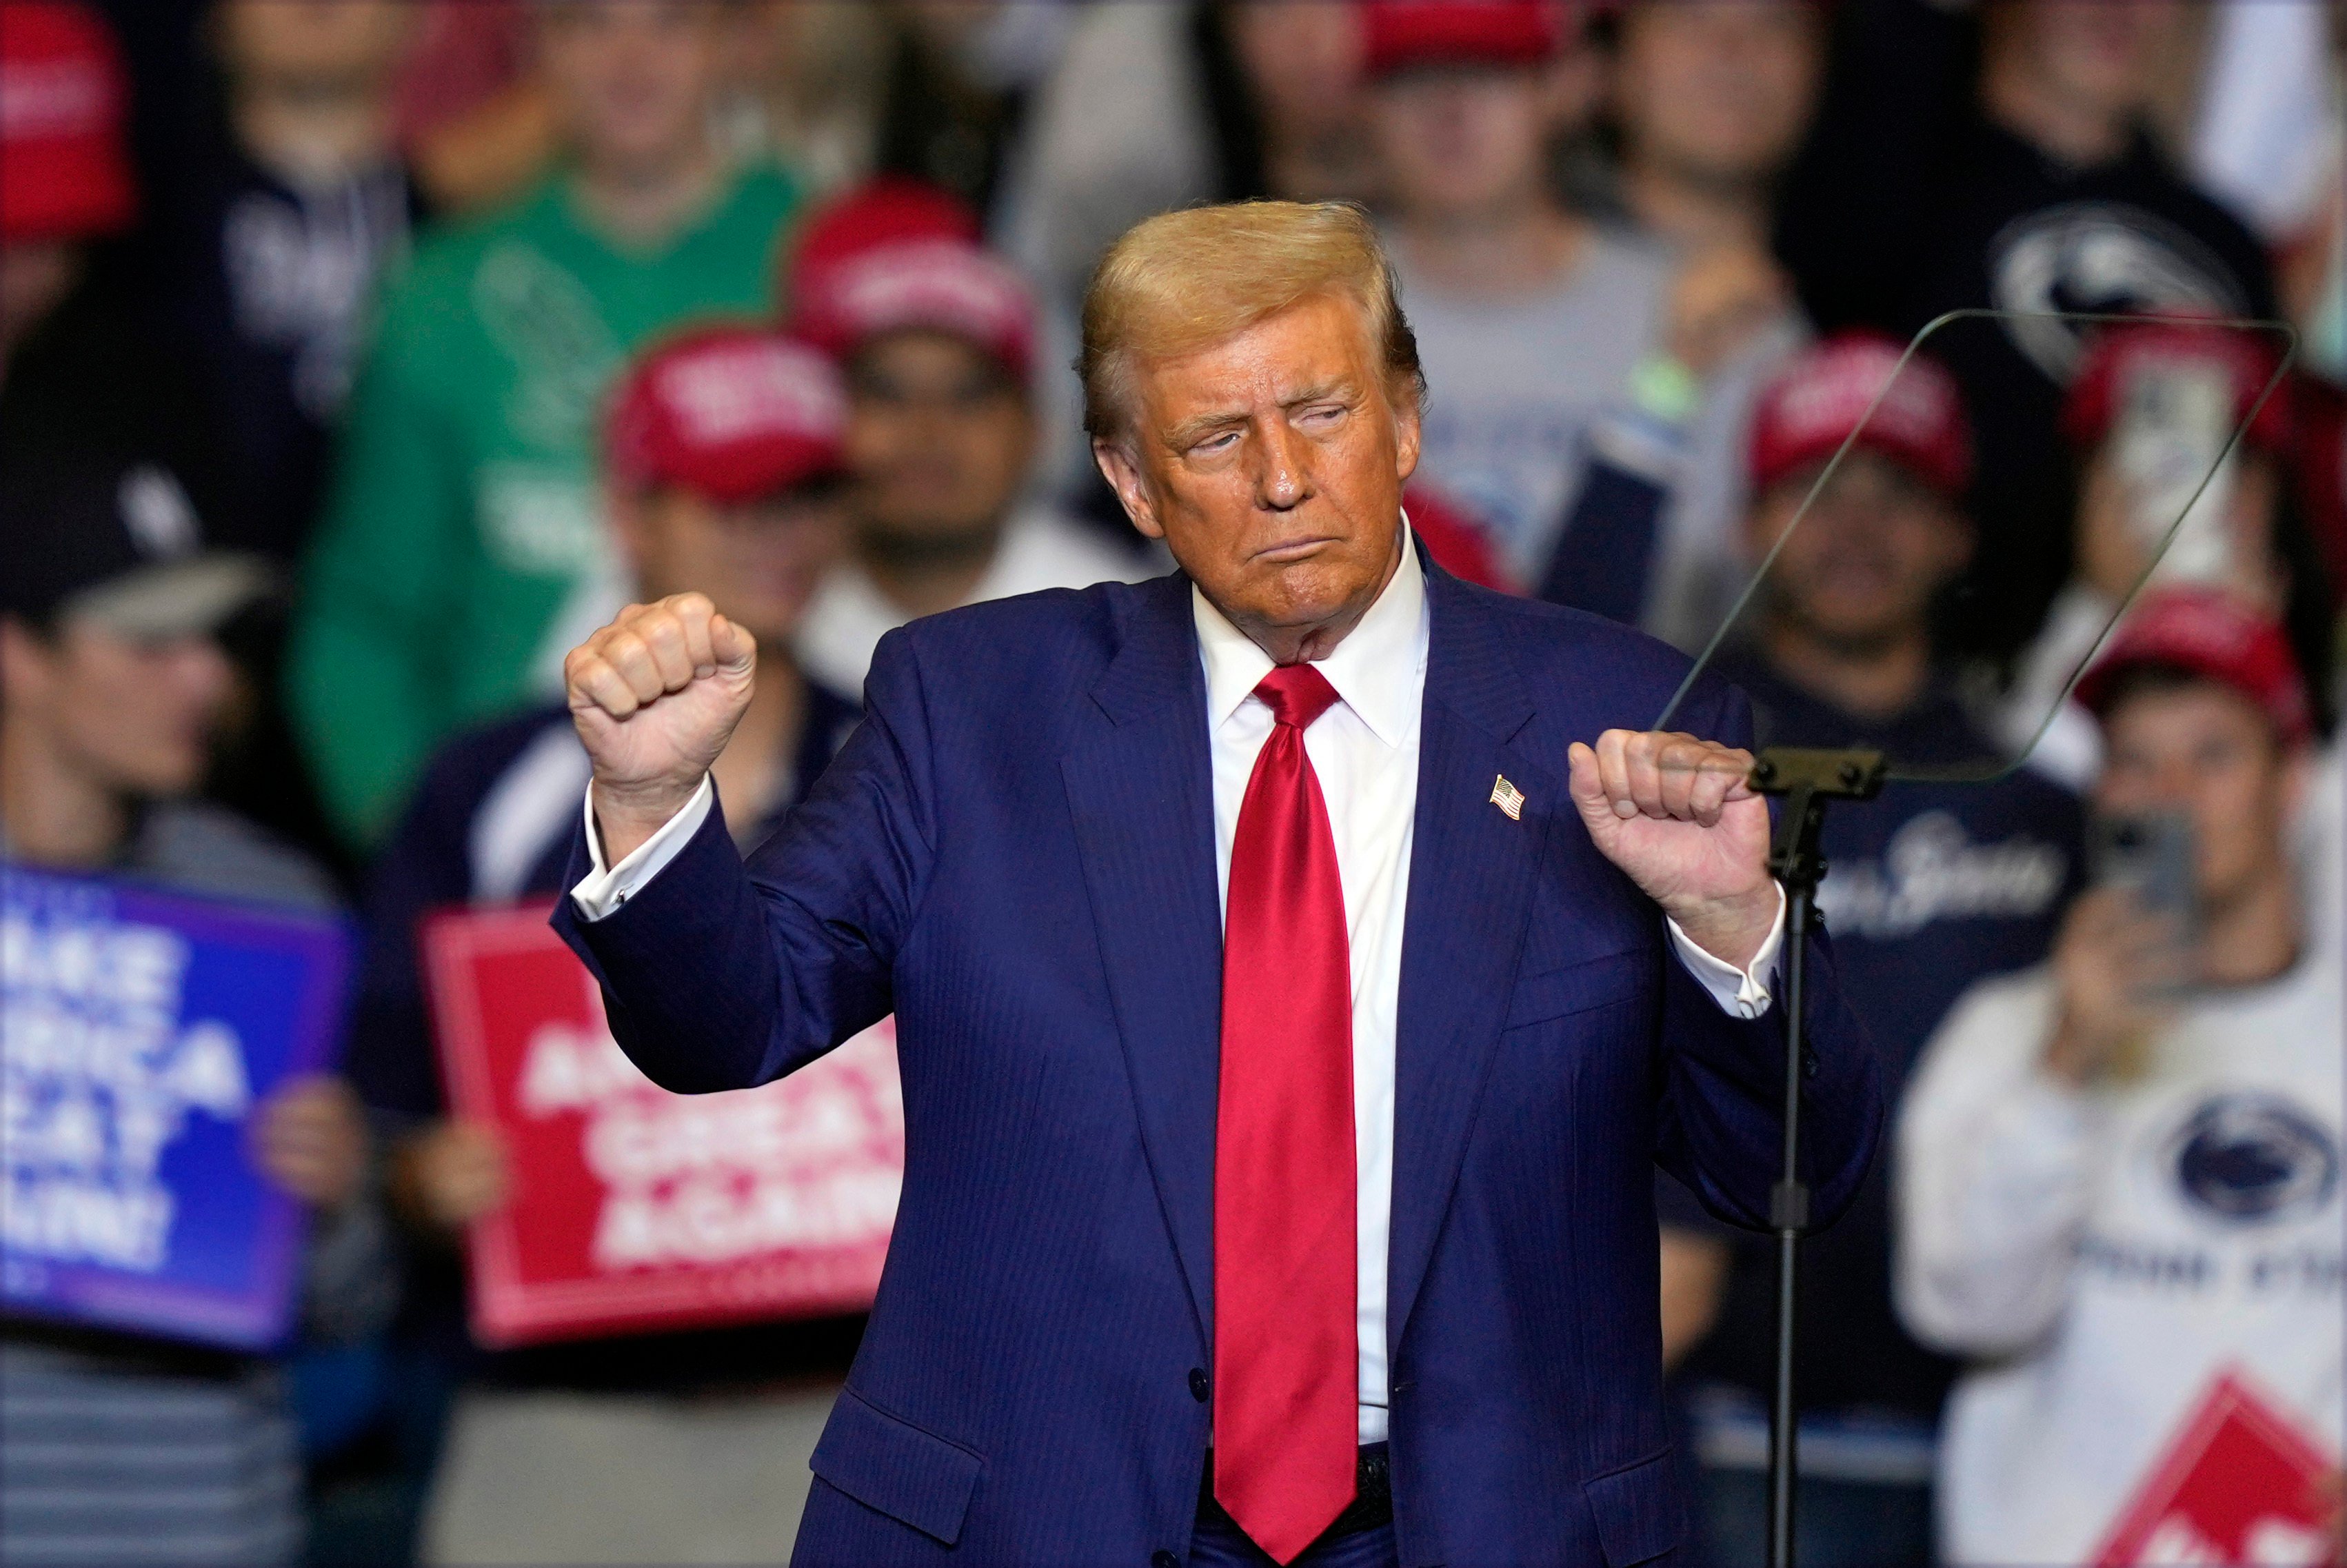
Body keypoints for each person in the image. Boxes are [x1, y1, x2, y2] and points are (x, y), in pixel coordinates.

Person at [550, 199, 1879, 1567]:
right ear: (1130, 482)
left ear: (1406, 420)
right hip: (1030, 1523)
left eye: (1322, 411)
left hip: (1486, 1529)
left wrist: (1732, 925)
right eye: (1216, 439)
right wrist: (651, 803)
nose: (1285, 478)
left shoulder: (1615, 711)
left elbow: (1786, 1174)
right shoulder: (974, 705)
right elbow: (726, 1025)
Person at [341, 325, 864, 1565]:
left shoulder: (909, 761)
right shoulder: (487, 785)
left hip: (849, 1416)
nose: (774, 531)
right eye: (730, 497)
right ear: (628, 511)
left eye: (805, 493)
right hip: (560, 1426)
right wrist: (422, 1175)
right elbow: (379, 1093)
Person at [1646, 336, 2084, 1568]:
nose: (1853, 525)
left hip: (1991, 1431)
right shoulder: (1671, 760)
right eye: (1815, 487)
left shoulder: (2028, 795)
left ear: (1956, 534)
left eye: (1895, 491)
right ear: (1749, 519)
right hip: (1712, 1410)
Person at [1898, 586, 2344, 1567]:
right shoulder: (2010, 1030)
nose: (2168, 795)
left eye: (2213, 756)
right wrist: (2068, 1066)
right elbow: (1959, 1307)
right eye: (2135, 763)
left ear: (2293, 782)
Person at [290, 0, 803, 849]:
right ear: (533, 50)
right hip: (511, 847)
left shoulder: (816, 257)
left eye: (668, 23)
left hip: (790, 833)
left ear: (737, 42)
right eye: (586, 22)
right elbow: (360, 616)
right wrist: (425, 839)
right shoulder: (441, 293)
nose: (629, 59)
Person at [0, 448, 383, 1567]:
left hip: (202, 1518)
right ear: (19, 655)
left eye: (213, 640)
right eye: (152, 643)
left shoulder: (265, 901)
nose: (208, 679)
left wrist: (331, 1196)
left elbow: (344, 1304)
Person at [1774, 0, 2279, 662]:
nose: (2117, 15)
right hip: (1923, 678)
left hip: (2163, 685)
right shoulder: (1890, 171)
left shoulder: (2227, 242)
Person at [784, 177, 1153, 696]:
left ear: (1034, 430)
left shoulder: (1124, 626)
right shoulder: (771, 614)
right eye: (887, 392)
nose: (927, 431)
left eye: (969, 396)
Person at [1361, 0, 1666, 590]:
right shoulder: (1291, 317)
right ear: (1364, 105)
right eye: (1411, 76)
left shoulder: (1692, 316)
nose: (1447, 109)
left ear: (1565, 87)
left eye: (1488, 71)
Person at [1998, 318, 2333, 792]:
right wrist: (2106, 614)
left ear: (2271, 490)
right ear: (2084, 482)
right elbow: (2027, 803)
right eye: (2149, 458)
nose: (2182, 496)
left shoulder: (2321, 674)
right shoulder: (2019, 684)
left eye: (2217, 460)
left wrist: (2257, 653)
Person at [146, 0, 422, 565]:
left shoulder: (478, 235)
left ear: (415, 17)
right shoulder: (145, 238)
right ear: (214, 20)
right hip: (193, 615)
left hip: (418, 613)